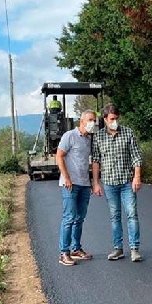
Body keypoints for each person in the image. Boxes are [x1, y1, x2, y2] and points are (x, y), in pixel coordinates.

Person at [91, 103, 143, 262]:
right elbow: (95, 160)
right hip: (109, 183)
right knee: (115, 216)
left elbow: (136, 156)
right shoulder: (98, 137)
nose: (115, 121)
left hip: (127, 181)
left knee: (132, 214)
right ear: (105, 119)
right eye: (112, 119)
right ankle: (118, 249)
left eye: (117, 118)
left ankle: (134, 249)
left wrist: (137, 176)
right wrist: (96, 182)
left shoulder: (128, 133)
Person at [56, 110, 97, 266]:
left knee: (79, 218)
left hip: (84, 184)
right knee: (69, 218)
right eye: (90, 120)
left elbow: (88, 162)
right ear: (82, 121)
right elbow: (59, 155)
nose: (93, 122)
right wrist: (66, 177)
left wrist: (92, 183)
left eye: (94, 120)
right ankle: (63, 253)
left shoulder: (88, 139)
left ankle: (76, 249)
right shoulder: (69, 136)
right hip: (70, 185)